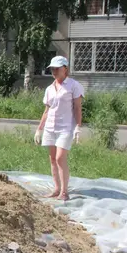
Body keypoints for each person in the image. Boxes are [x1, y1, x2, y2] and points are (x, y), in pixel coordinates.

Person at [34, 56, 84, 201]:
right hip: (50, 127)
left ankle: (64, 192)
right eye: (52, 69)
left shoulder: (73, 86)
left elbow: (77, 108)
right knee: (52, 159)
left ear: (65, 69)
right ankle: (56, 189)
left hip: (65, 127)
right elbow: (47, 110)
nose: (54, 71)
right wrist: (39, 129)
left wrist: (78, 127)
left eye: (57, 68)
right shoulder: (50, 89)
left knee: (60, 157)